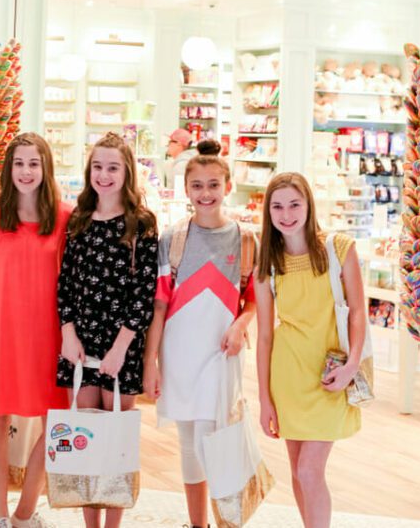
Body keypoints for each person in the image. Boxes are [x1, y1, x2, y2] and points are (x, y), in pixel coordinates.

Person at [144, 140, 257, 528]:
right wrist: (151, 364)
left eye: (213, 185)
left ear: (228, 186)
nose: (205, 193)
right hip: (179, 353)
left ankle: (226, 520)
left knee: (218, 436)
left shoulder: (244, 240)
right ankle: (198, 524)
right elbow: (159, 306)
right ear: (186, 189)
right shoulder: (172, 239)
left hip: (221, 354)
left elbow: (255, 300)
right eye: (197, 186)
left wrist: (241, 325)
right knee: (189, 441)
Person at [57, 131, 158, 528]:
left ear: (127, 172)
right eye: (97, 167)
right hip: (81, 342)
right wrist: (68, 333)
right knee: (85, 434)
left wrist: (120, 348)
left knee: (116, 442)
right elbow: (64, 283)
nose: (104, 174)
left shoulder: (142, 224)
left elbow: (143, 292)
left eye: (113, 167)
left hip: (122, 344)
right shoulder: (78, 221)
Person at [0, 132, 71, 528]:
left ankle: (25, 511)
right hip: (1, 334)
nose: (26, 171)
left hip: (48, 337)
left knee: (56, 423)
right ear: (8, 169)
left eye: (34, 163)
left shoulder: (64, 218)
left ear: (46, 169)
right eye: (19, 163)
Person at [255, 172, 366, 528]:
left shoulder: (339, 248)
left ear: (308, 206)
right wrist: (264, 399)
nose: (286, 214)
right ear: (268, 211)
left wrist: (352, 366)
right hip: (287, 376)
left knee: (309, 469)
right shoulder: (267, 262)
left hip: (328, 374)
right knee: (298, 473)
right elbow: (265, 336)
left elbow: (359, 312)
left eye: (294, 204)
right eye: (277, 206)